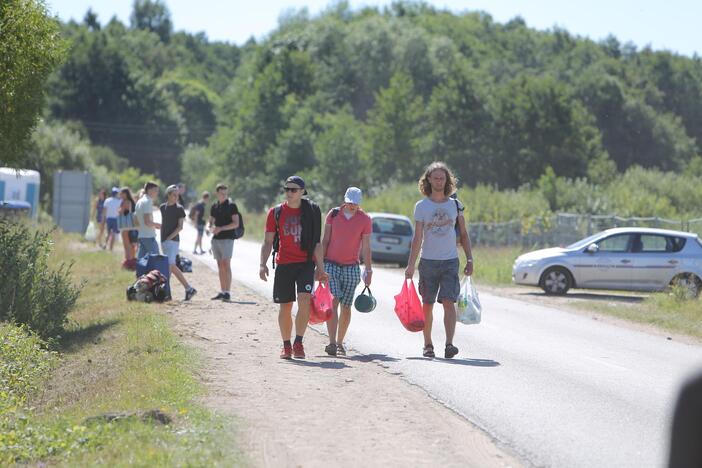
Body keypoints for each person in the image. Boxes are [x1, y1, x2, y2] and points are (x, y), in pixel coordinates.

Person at [405, 162, 474, 359]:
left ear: (447, 180)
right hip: (428, 262)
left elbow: (464, 234)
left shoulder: (455, 205)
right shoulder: (421, 206)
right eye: (435, 178)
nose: (438, 181)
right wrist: (410, 265)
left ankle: (449, 344)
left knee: (448, 302)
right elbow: (417, 238)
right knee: (427, 304)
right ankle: (427, 344)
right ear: (428, 180)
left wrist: (470, 259)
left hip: (450, 261)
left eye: (442, 178)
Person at [259, 176, 328, 360]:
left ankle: (298, 342)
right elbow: (267, 242)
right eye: (287, 189)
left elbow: (317, 243)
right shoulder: (276, 212)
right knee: (286, 306)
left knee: (304, 299)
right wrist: (262, 264)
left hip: (305, 263)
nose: (289, 193)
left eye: (294, 190)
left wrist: (320, 269)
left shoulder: (312, 211)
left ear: (302, 192)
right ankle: (286, 345)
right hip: (284, 264)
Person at [321, 187, 373, 356]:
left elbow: (366, 246)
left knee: (346, 306)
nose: (352, 206)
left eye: (355, 204)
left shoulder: (365, 219)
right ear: (345, 201)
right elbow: (325, 240)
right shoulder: (333, 214)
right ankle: (331, 343)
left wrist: (369, 269)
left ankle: (340, 341)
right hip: (331, 264)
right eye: (350, 203)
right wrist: (319, 265)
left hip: (352, 267)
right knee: (334, 300)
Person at [160, 185, 197, 301]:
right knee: (170, 266)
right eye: (174, 195)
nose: (177, 197)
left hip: (173, 241)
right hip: (164, 240)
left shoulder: (179, 209)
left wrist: (169, 237)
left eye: (178, 195)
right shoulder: (162, 207)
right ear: (169, 195)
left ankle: (167, 291)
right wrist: (162, 238)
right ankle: (188, 289)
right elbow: (164, 224)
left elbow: (180, 227)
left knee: (170, 265)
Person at [208, 184, 240, 302]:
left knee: (226, 264)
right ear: (217, 193)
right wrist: (210, 228)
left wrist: (221, 228)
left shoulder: (232, 206)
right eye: (222, 193)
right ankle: (222, 291)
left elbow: (236, 223)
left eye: (226, 193)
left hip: (227, 238)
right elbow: (210, 222)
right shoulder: (214, 206)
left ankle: (227, 292)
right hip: (216, 239)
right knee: (220, 265)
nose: (224, 195)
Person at [134, 181, 162, 259]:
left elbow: (136, 220)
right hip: (148, 236)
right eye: (156, 191)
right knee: (156, 259)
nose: (157, 193)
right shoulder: (148, 201)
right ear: (149, 190)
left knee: (141, 261)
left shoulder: (140, 201)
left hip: (142, 235)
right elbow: (147, 222)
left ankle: (140, 272)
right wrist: (158, 225)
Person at [119, 187, 138, 270]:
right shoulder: (132, 202)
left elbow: (124, 212)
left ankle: (128, 261)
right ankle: (132, 260)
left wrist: (120, 210)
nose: (120, 195)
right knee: (132, 245)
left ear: (126, 194)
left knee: (127, 245)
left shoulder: (126, 202)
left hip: (126, 227)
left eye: (122, 193)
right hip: (132, 226)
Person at [102, 187, 122, 251]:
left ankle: (105, 244)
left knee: (108, 233)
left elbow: (104, 210)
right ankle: (111, 248)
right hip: (116, 219)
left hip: (108, 218)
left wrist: (104, 219)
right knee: (113, 233)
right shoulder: (119, 201)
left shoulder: (107, 200)